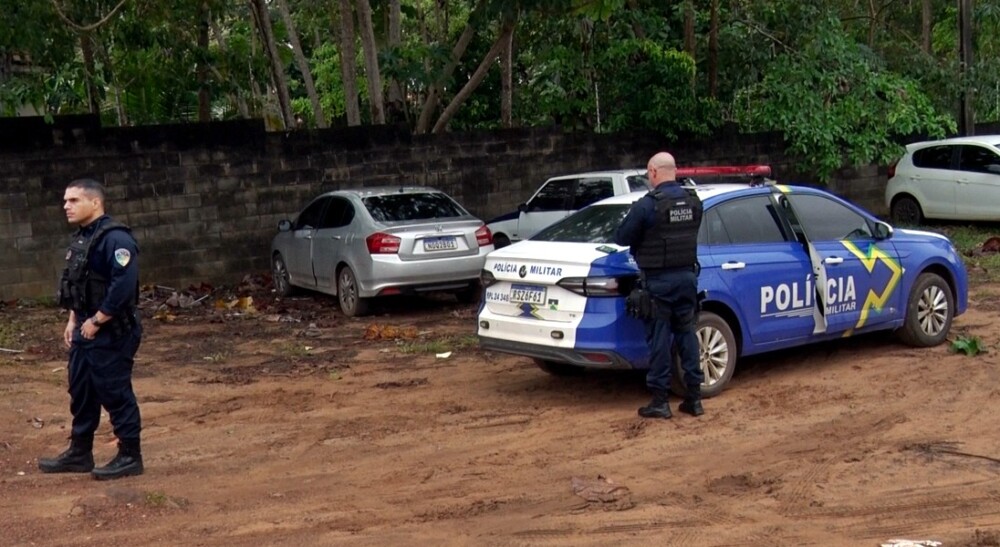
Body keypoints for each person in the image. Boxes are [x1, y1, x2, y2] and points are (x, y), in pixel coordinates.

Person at [38, 178, 144, 480]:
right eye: (65, 201)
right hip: (84, 328)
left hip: (112, 331)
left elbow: (123, 287)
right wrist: (73, 320)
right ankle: (79, 452)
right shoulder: (83, 237)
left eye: (73, 200)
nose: (66, 206)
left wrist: (97, 320)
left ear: (95, 202)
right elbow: (79, 284)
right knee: (82, 391)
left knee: (114, 391)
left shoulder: (116, 239)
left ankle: (130, 456)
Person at [614, 152, 705, 419]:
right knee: (688, 335)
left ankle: (660, 401)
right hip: (687, 279)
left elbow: (622, 237)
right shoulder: (693, 201)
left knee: (660, 340)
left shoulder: (648, 205)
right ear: (674, 171)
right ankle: (695, 399)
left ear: (653, 172)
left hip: (658, 282)